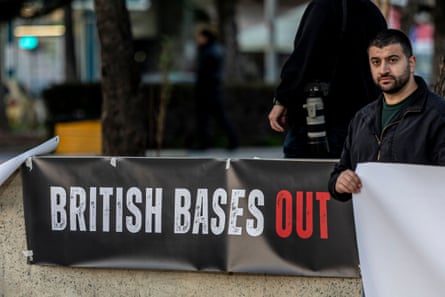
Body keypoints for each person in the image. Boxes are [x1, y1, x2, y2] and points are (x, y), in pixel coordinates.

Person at [328, 29, 445, 202]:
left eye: (392, 60)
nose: (383, 69)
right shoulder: (362, 118)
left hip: (422, 226)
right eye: (376, 62)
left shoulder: (437, 115)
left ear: (411, 63)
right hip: (369, 225)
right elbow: (340, 171)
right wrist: (339, 182)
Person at [268, 0, 387, 158]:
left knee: (300, 177)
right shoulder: (373, 12)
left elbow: (305, 58)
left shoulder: (325, 6)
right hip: (362, 123)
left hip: (319, 122)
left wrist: (282, 99)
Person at [193, 27, 238, 150]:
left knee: (205, 118)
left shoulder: (208, 51)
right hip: (213, 89)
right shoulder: (217, 49)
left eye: (200, 37)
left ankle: (205, 143)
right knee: (218, 117)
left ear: (205, 37)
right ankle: (232, 140)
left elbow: (203, 71)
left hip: (207, 89)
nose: (198, 40)